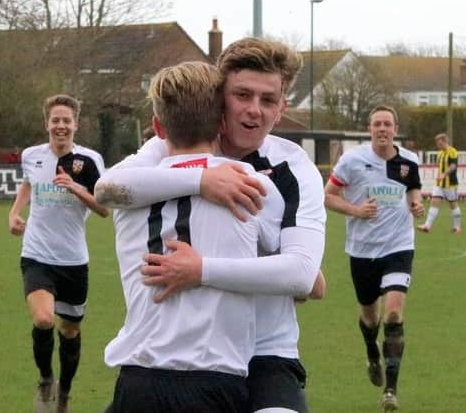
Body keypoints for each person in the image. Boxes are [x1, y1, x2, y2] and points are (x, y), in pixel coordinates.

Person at [95, 37, 326, 413]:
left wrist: (201, 270)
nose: (254, 110)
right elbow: (107, 189)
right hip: (184, 359)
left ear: (282, 108)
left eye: (268, 100)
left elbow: (303, 276)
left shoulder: (292, 169)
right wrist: (201, 181)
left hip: (266, 352)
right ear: (220, 98)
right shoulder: (171, 144)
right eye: (243, 95)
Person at [8, 94, 108, 413]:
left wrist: (75, 188)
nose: (61, 126)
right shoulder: (32, 155)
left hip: (73, 260)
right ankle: (46, 379)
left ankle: (64, 393)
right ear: (47, 124)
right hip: (36, 253)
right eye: (56, 120)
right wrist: (14, 212)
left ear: (76, 124)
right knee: (43, 319)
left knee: (70, 330)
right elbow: (28, 184)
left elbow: (104, 208)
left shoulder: (90, 161)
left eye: (67, 120)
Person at [324, 105, 424, 411]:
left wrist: (417, 204)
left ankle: (390, 392)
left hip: (399, 246)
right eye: (377, 124)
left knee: (394, 313)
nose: (382, 129)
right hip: (362, 250)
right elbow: (327, 195)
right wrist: (356, 211)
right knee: (370, 316)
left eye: (387, 124)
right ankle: (371, 351)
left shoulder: (409, 160)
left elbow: (414, 189)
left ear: (395, 128)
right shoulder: (352, 161)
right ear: (370, 129)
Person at [417, 133, 462, 233]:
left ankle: (457, 227)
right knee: (434, 202)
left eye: (439, 143)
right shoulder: (440, 153)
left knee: (453, 205)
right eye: (437, 143)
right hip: (439, 184)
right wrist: (440, 176)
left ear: (445, 141)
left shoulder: (452, 151)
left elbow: (453, 166)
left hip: (450, 183)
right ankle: (427, 226)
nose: (438, 145)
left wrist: (444, 174)